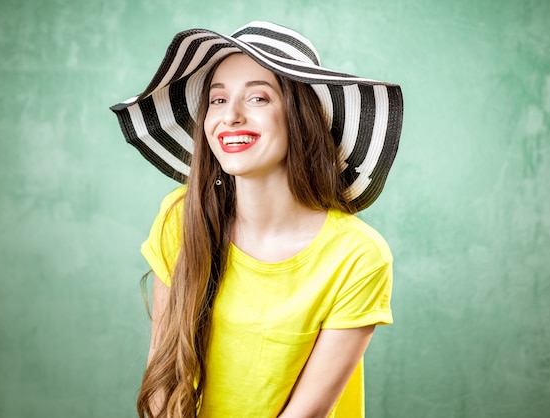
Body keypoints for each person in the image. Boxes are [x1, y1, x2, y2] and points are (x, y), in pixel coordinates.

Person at [110, 21, 403, 418]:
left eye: (258, 99)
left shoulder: (358, 257)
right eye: (217, 100)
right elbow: (164, 380)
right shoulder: (180, 218)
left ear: (298, 118)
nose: (230, 116)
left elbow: (306, 414)